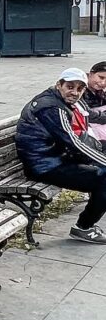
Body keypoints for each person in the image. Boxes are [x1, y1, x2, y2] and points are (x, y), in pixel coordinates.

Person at [15, 68, 106, 244]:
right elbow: (73, 142)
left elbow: (87, 120)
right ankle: (84, 227)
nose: (74, 92)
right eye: (70, 86)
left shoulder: (66, 101)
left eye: (79, 89)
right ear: (59, 85)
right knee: (104, 177)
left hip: (56, 157)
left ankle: (94, 210)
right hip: (44, 166)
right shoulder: (51, 107)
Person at [83, 62, 106, 142]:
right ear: (91, 74)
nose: (103, 83)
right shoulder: (79, 88)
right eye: (101, 77)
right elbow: (83, 113)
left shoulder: (98, 90)